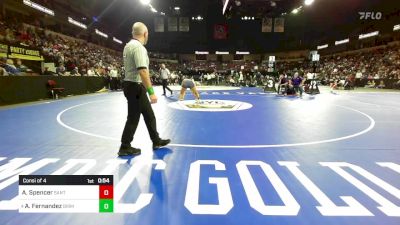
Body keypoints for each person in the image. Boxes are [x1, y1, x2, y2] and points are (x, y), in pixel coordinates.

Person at [119, 22, 170, 156]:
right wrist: (151, 92)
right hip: (135, 86)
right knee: (133, 118)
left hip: (130, 85)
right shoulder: (139, 47)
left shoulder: (128, 46)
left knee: (148, 115)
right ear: (145, 34)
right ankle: (125, 146)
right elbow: (142, 71)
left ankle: (156, 140)